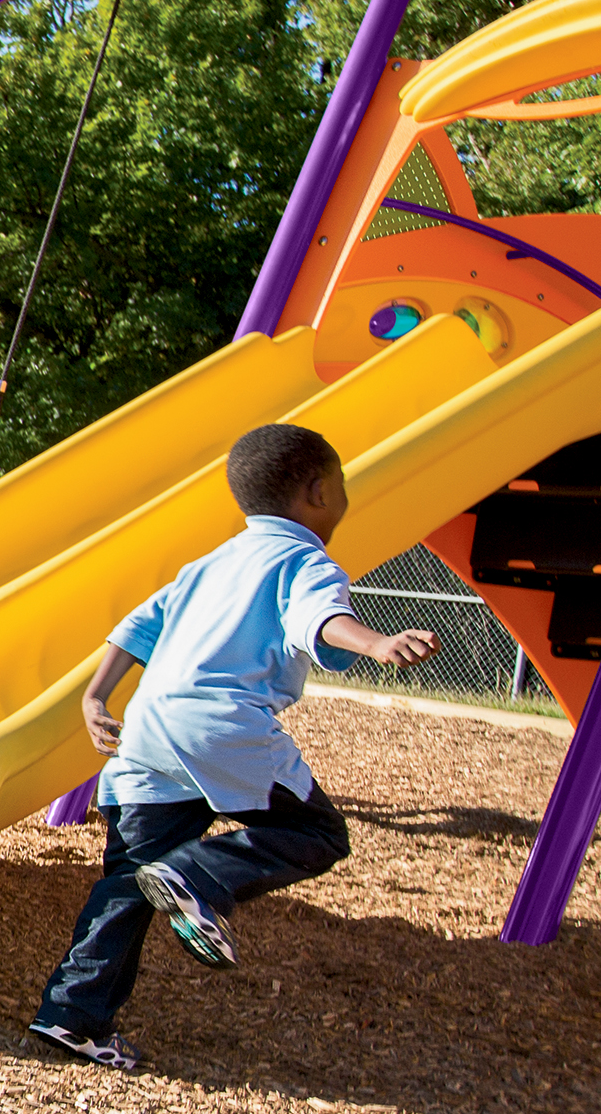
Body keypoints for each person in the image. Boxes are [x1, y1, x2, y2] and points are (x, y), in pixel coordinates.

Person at [26, 421, 437, 1072]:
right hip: (221, 727)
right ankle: (200, 875)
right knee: (318, 833)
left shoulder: (209, 561)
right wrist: (377, 643)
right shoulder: (304, 560)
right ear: (318, 491)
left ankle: (72, 1016)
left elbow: (137, 623)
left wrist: (94, 697)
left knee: (128, 881)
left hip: (148, 732)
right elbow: (317, 619)